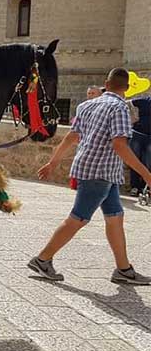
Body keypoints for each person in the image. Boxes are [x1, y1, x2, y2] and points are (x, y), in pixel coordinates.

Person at [29, 68, 151, 285]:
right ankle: (42, 259)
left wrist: (52, 163)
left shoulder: (87, 105)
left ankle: (123, 269)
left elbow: (71, 138)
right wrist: (146, 174)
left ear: (106, 82)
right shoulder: (120, 108)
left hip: (94, 169)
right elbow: (120, 145)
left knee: (115, 217)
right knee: (78, 218)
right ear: (127, 88)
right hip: (101, 172)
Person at [129, 94, 151, 195]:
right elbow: (126, 103)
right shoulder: (144, 100)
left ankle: (145, 187)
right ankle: (135, 187)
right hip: (138, 134)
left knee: (148, 163)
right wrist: (133, 117)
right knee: (134, 160)